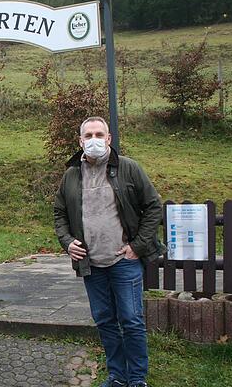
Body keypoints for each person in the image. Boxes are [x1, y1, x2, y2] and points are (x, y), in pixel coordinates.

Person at [53, 117, 164, 387]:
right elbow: (59, 213)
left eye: (99, 134)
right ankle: (117, 376)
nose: (94, 140)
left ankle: (137, 380)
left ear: (109, 138)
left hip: (123, 261)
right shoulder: (71, 175)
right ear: (80, 141)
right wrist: (67, 242)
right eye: (88, 135)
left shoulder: (128, 168)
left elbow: (153, 206)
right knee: (105, 321)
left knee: (132, 321)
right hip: (91, 264)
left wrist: (137, 246)